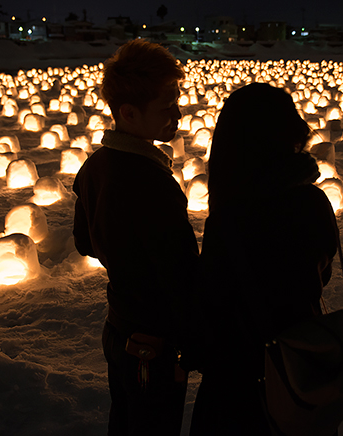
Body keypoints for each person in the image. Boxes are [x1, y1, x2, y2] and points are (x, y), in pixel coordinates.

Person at [189, 83, 338, 435]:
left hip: (231, 376)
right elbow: (321, 271)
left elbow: (213, 288)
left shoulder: (227, 209)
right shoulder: (309, 203)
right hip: (295, 365)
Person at [72, 39, 200, 436]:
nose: (177, 115)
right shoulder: (151, 183)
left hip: (119, 328)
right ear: (128, 113)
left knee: (125, 419)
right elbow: (181, 275)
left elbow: (83, 242)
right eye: (166, 108)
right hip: (155, 343)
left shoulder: (95, 166)